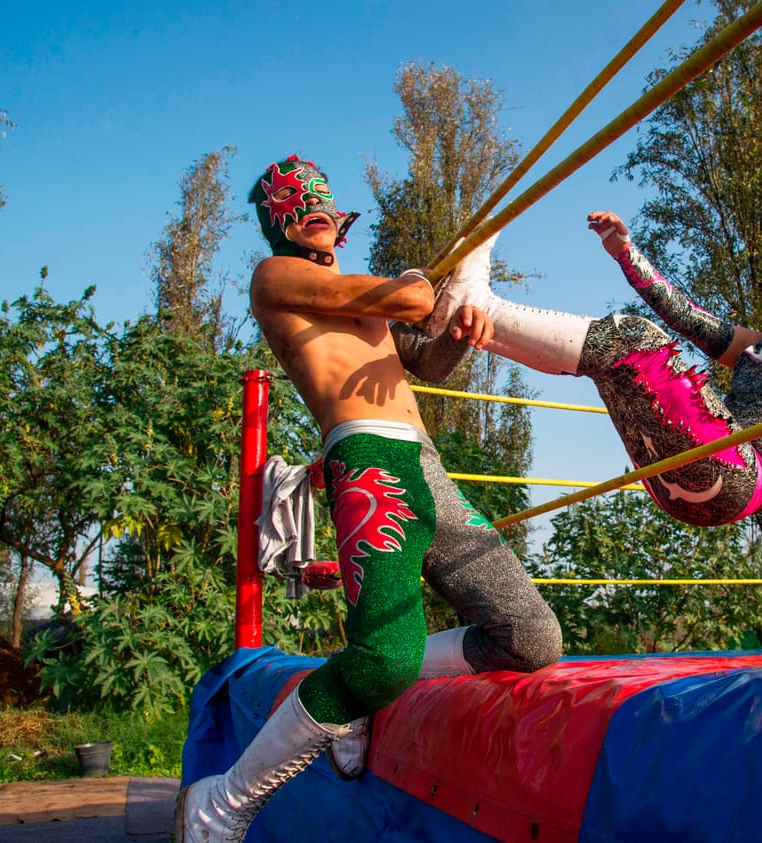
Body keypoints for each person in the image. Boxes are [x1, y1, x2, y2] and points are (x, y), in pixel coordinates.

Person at [175, 156, 562, 842]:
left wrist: (458, 334)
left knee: (531, 638)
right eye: (296, 205)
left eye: (321, 200)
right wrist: (419, 286)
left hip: (426, 467)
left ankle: (352, 677)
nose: (313, 209)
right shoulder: (278, 277)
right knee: (386, 657)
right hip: (367, 462)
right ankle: (222, 800)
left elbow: (426, 356)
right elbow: (408, 301)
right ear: (277, 223)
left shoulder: (367, 299)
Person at [420, 122, 762, 527]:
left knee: (634, 339)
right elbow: (685, 315)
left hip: (737, 476)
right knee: (613, 367)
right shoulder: (756, 348)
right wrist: (626, 255)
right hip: (682, 483)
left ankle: (477, 302)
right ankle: (463, 323)